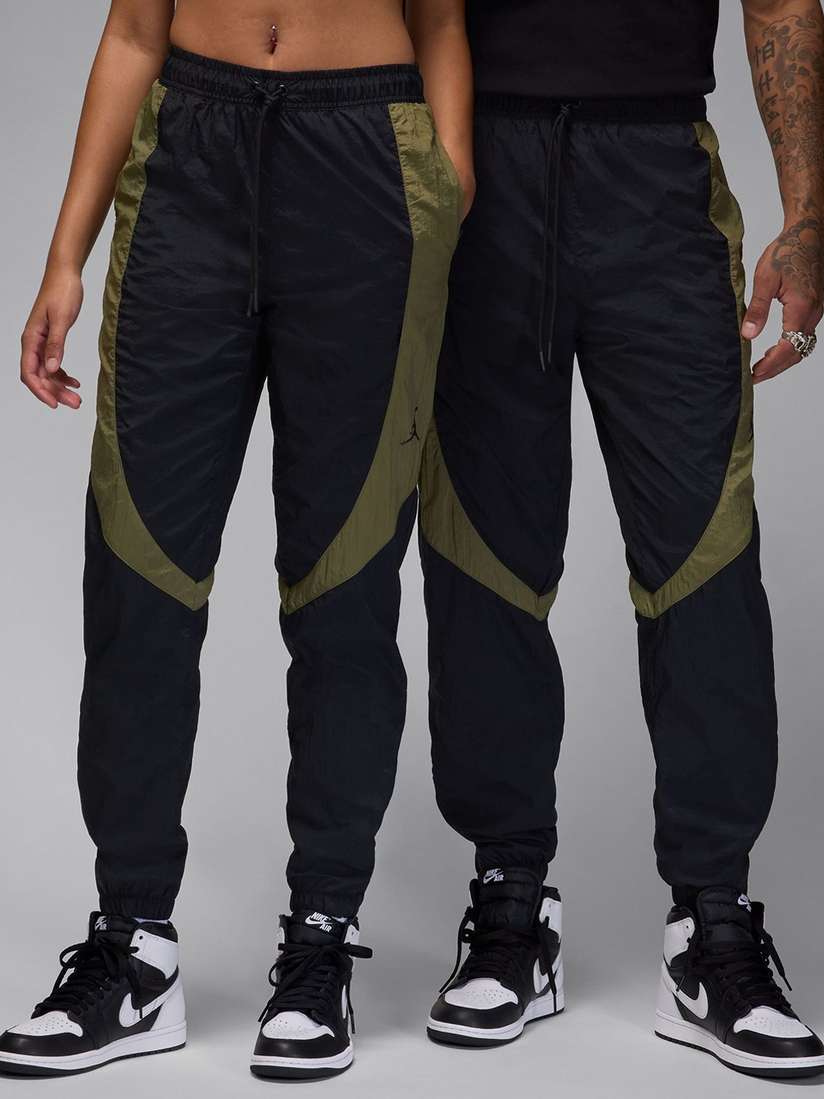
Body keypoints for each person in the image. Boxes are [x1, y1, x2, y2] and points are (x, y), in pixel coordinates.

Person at [1, 0, 472, 1081]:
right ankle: (133, 946)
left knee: (345, 581)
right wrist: (66, 257)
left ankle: (321, 939)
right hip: (190, 161)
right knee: (139, 571)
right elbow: (133, 31)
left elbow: (443, 20)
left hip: (368, 160)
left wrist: (446, 186)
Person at [417, 0, 824, 1078]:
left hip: (655, 174)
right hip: (479, 164)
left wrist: (806, 213)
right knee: (482, 549)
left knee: (702, 551)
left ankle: (713, 922)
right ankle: (509, 903)